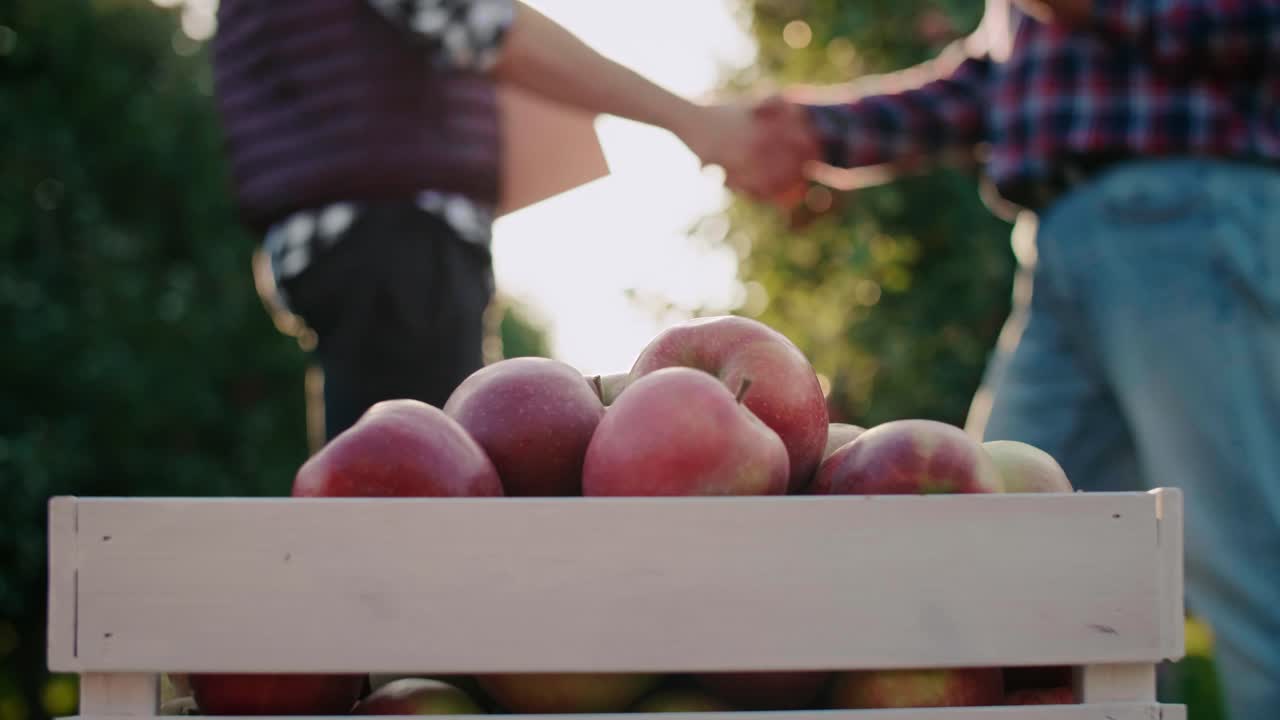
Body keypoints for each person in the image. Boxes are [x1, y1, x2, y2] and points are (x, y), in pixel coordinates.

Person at [737, 0, 1280, 716]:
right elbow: (989, 81)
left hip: (1185, 214)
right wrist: (810, 129)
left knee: (1242, 553)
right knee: (998, 559)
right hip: (1058, 247)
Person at [211, 0, 805, 441]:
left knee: (384, 475)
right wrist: (692, 121)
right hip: (397, 250)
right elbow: (487, 24)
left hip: (353, 249)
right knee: (421, 501)